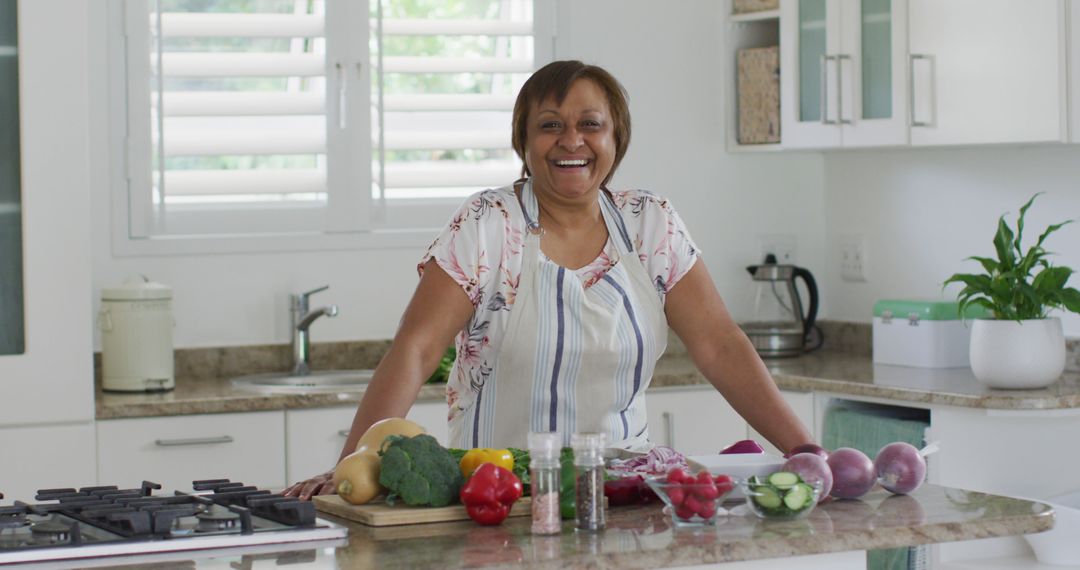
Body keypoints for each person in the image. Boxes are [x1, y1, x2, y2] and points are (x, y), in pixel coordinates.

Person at [284, 60, 814, 500]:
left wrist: (805, 451)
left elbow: (721, 345)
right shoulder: (488, 225)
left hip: (624, 494)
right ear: (524, 140)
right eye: (550, 125)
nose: (571, 141)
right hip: (495, 495)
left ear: (616, 137)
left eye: (590, 124)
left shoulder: (651, 223)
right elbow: (416, 349)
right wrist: (350, 466)